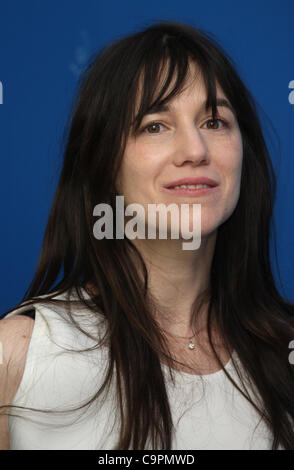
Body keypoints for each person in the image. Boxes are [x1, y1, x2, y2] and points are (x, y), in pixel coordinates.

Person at [1, 20, 294, 451]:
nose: (195, 150)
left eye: (215, 121)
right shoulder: (16, 355)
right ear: (103, 164)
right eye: (155, 125)